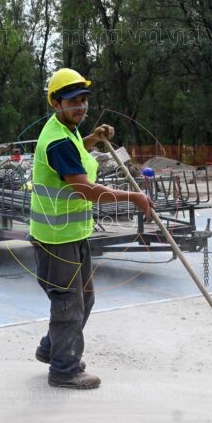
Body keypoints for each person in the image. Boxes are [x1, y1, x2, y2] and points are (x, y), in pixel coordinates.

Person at [29, 68, 153, 390]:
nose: (81, 107)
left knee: (84, 298)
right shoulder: (57, 141)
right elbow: (85, 189)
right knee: (69, 303)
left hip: (71, 234)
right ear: (56, 103)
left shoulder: (65, 131)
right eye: (73, 101)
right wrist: (134, 197)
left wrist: (93, 139)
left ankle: (52, 348)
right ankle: (64, 369)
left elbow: (75, 149)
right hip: (57, 240)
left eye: (84, 100)